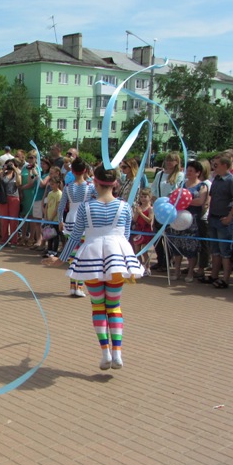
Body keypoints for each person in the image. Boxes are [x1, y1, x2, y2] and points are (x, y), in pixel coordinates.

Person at [53, 165, 144, 370]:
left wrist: (60, 259)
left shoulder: (86, 208)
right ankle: (117, 353)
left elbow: (76, 236)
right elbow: (126, 235)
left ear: (95, 182)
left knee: (98, 306)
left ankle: (106, 353)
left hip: (92, 257)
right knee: (114, 305)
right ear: (115, 183)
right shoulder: (124, 207)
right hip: (116, 257)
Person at [57, 157, 97, 297]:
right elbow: (98, 200)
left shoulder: (68, 187)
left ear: (72, 171)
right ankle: (78, 286)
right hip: (84, 220)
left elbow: (61, 206)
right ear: (85, 170)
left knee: (73, 253)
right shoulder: (90, 186)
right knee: (81, 254)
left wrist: (60, 221)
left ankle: (74, 285)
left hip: (71, 219)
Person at [207, 153, 233, 289]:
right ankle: (214, 275)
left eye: (216, 165)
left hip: (225, 219)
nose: (214, 167)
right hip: (214, 217)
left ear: (224, 165)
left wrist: (230, 216)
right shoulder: (216, 179)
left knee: (225, 251)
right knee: (215, 250)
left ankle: (226, 279)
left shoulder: (231, 180)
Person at [169, 161, 208, 282]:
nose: (188, 173)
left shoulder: (202, 186)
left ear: (198, 172)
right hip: (178, 219)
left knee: (191, 247)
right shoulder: (182, 184)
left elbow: (200, 201)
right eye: (188, 170)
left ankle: (190, 272)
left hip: (192, 220)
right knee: (177, 245)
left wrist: (185, 201)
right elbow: (174, 198)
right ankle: (177, 271)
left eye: (191, 171)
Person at [150, 152, 184, 271]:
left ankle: (167, 261)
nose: (169, 163)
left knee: (168, 237)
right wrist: (154, 197)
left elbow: (177, 190)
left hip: (170, 209)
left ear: (176, 162)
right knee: (157, 235)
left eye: (172, 160)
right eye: (168, 160)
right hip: (159, 208)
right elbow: (153, 188)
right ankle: (160, 260)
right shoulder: (160, 174)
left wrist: (168, 201)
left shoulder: (179, 175)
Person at [0, 159, 22, 246]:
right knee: (4, 220)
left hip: (14, 198)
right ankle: (4, 239)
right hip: (4, 198)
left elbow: (19, 183)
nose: (9, 166)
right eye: (8, 164)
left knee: (13, 221)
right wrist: (4, 170)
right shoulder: (3, 174)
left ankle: (14, 241)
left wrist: (14, 169)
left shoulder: (17, 174)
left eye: (11, 165)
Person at [131, 189, 153, 274]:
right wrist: (137, 212)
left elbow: (149, 220)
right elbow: (135, 219)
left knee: (144, 251)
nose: (143, 199)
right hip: (138, 230)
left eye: (145, 197)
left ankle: (147, 268)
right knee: (137, 251)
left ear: (149, 198)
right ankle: (139, 266)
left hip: (146, 231)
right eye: (141, 197)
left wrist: (141, 213)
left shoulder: (150, 209)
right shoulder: (139, 208)